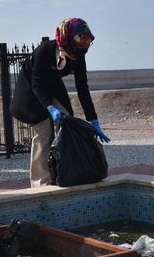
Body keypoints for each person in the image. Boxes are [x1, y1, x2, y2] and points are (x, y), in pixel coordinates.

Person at [10, 18, 111, 187]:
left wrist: (93, 119)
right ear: (67, 38)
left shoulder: (78, 56)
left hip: (53, 86)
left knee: (68, 124)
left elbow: (82, 88)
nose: (85, 44)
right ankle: (40, 181)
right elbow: (37, 84)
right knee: (44, 130)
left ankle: (64, 171)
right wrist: (50, 108)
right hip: (31, 89)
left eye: (87, 40)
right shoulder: (45, 51)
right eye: (81, 40)